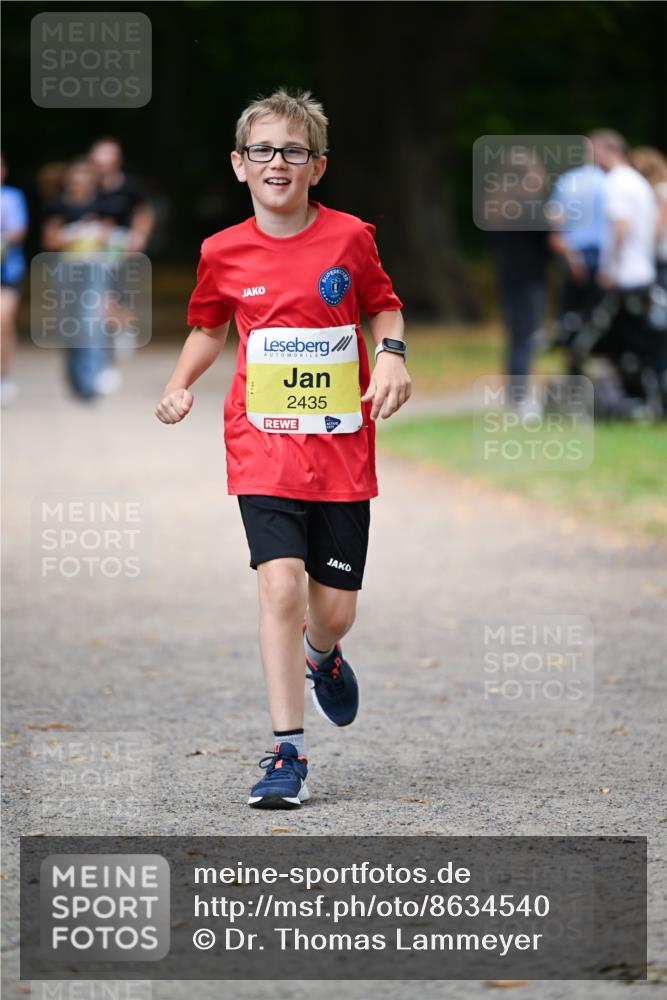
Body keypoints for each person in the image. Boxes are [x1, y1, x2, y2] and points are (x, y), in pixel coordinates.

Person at [155, 89, 410, 809]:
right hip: (260, 444)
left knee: (331, 610)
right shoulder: (222, 251)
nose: (277, 162)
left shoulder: (350, 238)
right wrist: (179, 384)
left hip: (339, 451)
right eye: (263, 150)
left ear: (316, 167)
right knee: (279, 586)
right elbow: (208, 326)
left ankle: (321, 655)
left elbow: (382, 302)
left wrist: (389, 353)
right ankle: (285, 752)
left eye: (293, 151)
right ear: (239, 165)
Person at [42, 159, 116, 400]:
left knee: (91, 322)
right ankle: (75, 376)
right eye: (75, 179)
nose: (79, 183)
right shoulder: (58, 207)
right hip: (66, 271)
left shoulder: (102, 204)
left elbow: (108, 235)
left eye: (84, 178)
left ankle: (89, 379)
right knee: (70, 325)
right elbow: (50, 241)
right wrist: (74, 234)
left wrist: (96, 235)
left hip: (94, 270)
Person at [485, 146, 549, 412]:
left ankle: (514, 395)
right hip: (529, 278)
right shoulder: (531, 206)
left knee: (515, 337)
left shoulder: (498, 202)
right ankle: (521, 398)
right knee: (526, 336)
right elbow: (549, 239)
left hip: (507, 277)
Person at [547, 138, 606, 370]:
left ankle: (573, 370)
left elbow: (555, 221)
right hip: (603, 259)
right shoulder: (609, 181)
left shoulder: (567, 181)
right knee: (601, 317)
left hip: (573, 256)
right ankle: (602, 372)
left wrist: (569, 257)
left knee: (570, 318)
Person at [1, 153, 28, 407]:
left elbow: (18, 232)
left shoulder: (12, 197)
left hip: (6, 272)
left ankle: (4, 375)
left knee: (3, 320)